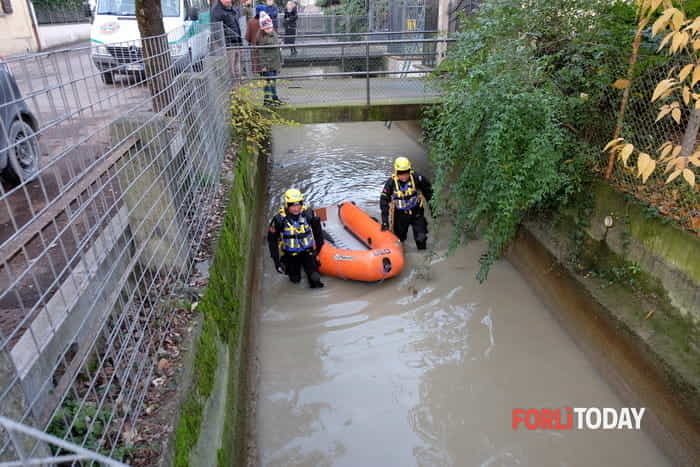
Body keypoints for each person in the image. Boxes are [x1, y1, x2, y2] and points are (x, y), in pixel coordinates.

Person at [268, 189, 325, 288]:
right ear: (287, 205)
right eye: (293, 205)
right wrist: (276, 262)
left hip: (308, 252)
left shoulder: (309, 214)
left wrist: (317, 250)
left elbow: (318, 233)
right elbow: (272, 241)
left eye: (298, 205)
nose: (296, 208)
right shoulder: (278, 220)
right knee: (295, 280)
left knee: (316, 281)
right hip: (291, 255)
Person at [380, 157, 434, 250]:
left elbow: (428, 192)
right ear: (396, 172)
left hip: (416, 213)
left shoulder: (417, 178)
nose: (404, 176)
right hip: (400, 216)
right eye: (401, 173)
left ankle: (422, 256)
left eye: (406, 172)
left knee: (421, 238)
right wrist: (385, 221)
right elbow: (384, 201)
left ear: (410, 170)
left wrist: (433, 209)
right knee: (400, 239)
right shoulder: (391, 183)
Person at [257, 11, 284, 106]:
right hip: (268, 64)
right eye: (267, 28)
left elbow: (277, 46)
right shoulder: (262, 38)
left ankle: (270, 99)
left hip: (274, 62)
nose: (269, 29)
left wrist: (280, 62)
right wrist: (263, 66)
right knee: (269, 82)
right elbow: (261, 52)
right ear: (263, 28)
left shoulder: (273, 33)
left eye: (270, 27)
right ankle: (270, 99)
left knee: (271, 82)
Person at [211, 0, 242, 79]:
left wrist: (239, 41)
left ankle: (238, 85)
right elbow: (216, 30)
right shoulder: (216, 10)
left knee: (237, 64)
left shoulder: (229, 7)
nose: (229, 1)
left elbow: (235, 23)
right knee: (230, 68)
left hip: (236, 41)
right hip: (228, 44)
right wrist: (224, 44)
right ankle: (233, 88)